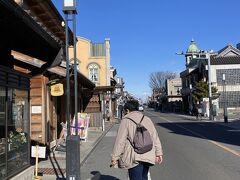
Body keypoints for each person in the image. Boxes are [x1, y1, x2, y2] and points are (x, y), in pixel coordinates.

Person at [110, 100, 163, 180]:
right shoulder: (147, 119)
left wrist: (115, 157)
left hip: (134, 156)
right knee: (144, 177)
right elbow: (155, 137)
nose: (124, 112)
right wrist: (159, 153)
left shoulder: (126, 120)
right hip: (148, 154)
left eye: (124, 111)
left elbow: (120, 141)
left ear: (127, 110)